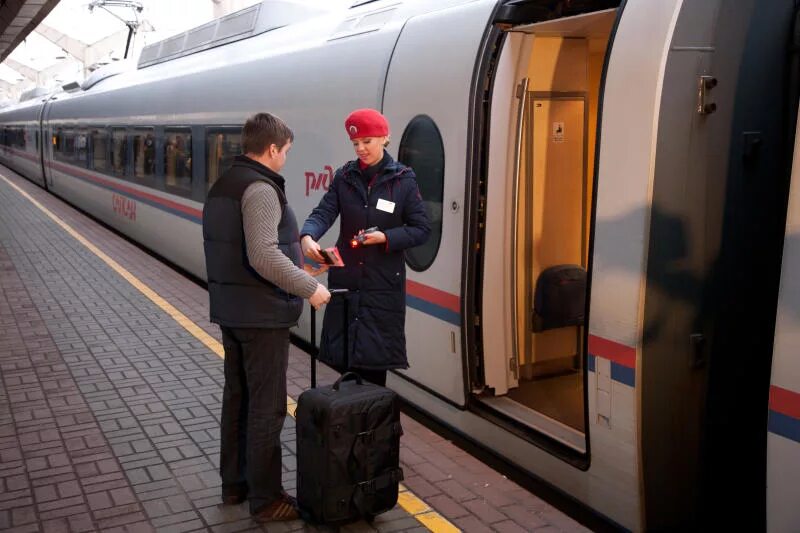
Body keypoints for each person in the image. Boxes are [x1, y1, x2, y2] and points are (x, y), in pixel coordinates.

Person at [202, 112, 330, 522]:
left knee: (237, 400)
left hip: (235, 310)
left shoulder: (224, 184)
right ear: (272, 149)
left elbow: (242, 252)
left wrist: (299, 272)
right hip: (261, 318)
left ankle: (235, 485)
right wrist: (311, 289)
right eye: (287, 151)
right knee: (267, 408)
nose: (286, 159)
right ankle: (267, 500)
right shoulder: (260, 189)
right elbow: (262, 254)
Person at [300, 108, 430, 387]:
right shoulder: (345, 177)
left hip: (381, 289)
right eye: (355, 143)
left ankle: (369, 429)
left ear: (385, 138)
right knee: (344, 366)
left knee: (373, 370)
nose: (360, 148)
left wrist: (386, 237)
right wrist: (307, 236)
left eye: (367, 141)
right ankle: (348, 427)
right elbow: (323, 212)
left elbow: (421, 230)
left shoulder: (403, 180)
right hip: (346, 284)